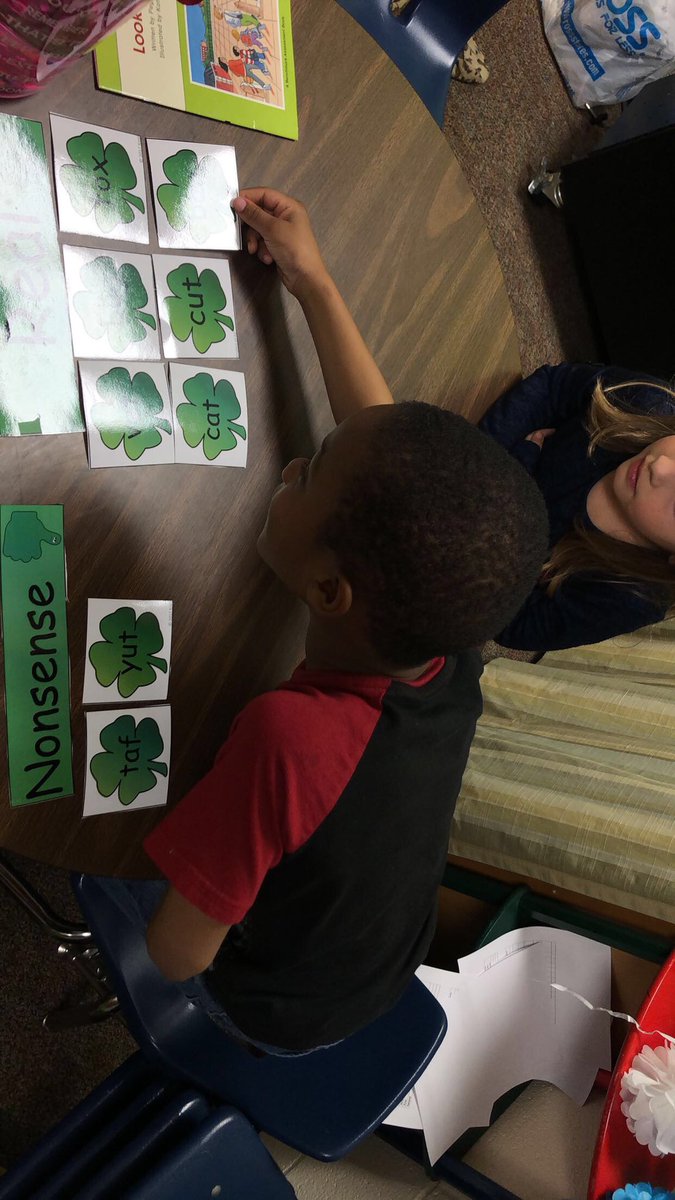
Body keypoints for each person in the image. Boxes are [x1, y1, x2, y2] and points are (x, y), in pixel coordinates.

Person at [90, 190, 548, 1056]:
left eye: (308, 476)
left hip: (271, 1005)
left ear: (329, 591)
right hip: (382, 956)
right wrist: (312, 284)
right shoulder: (446, 638)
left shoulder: (289, 738)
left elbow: (176, 953)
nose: (296, 462)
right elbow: (382, 450)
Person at [479, 363, 675, 651]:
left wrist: (519, 466)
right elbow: (553, 386)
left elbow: (512, 624)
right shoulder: (650, 404)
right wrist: (477, 463)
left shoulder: (631, 598)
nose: (659, 467)